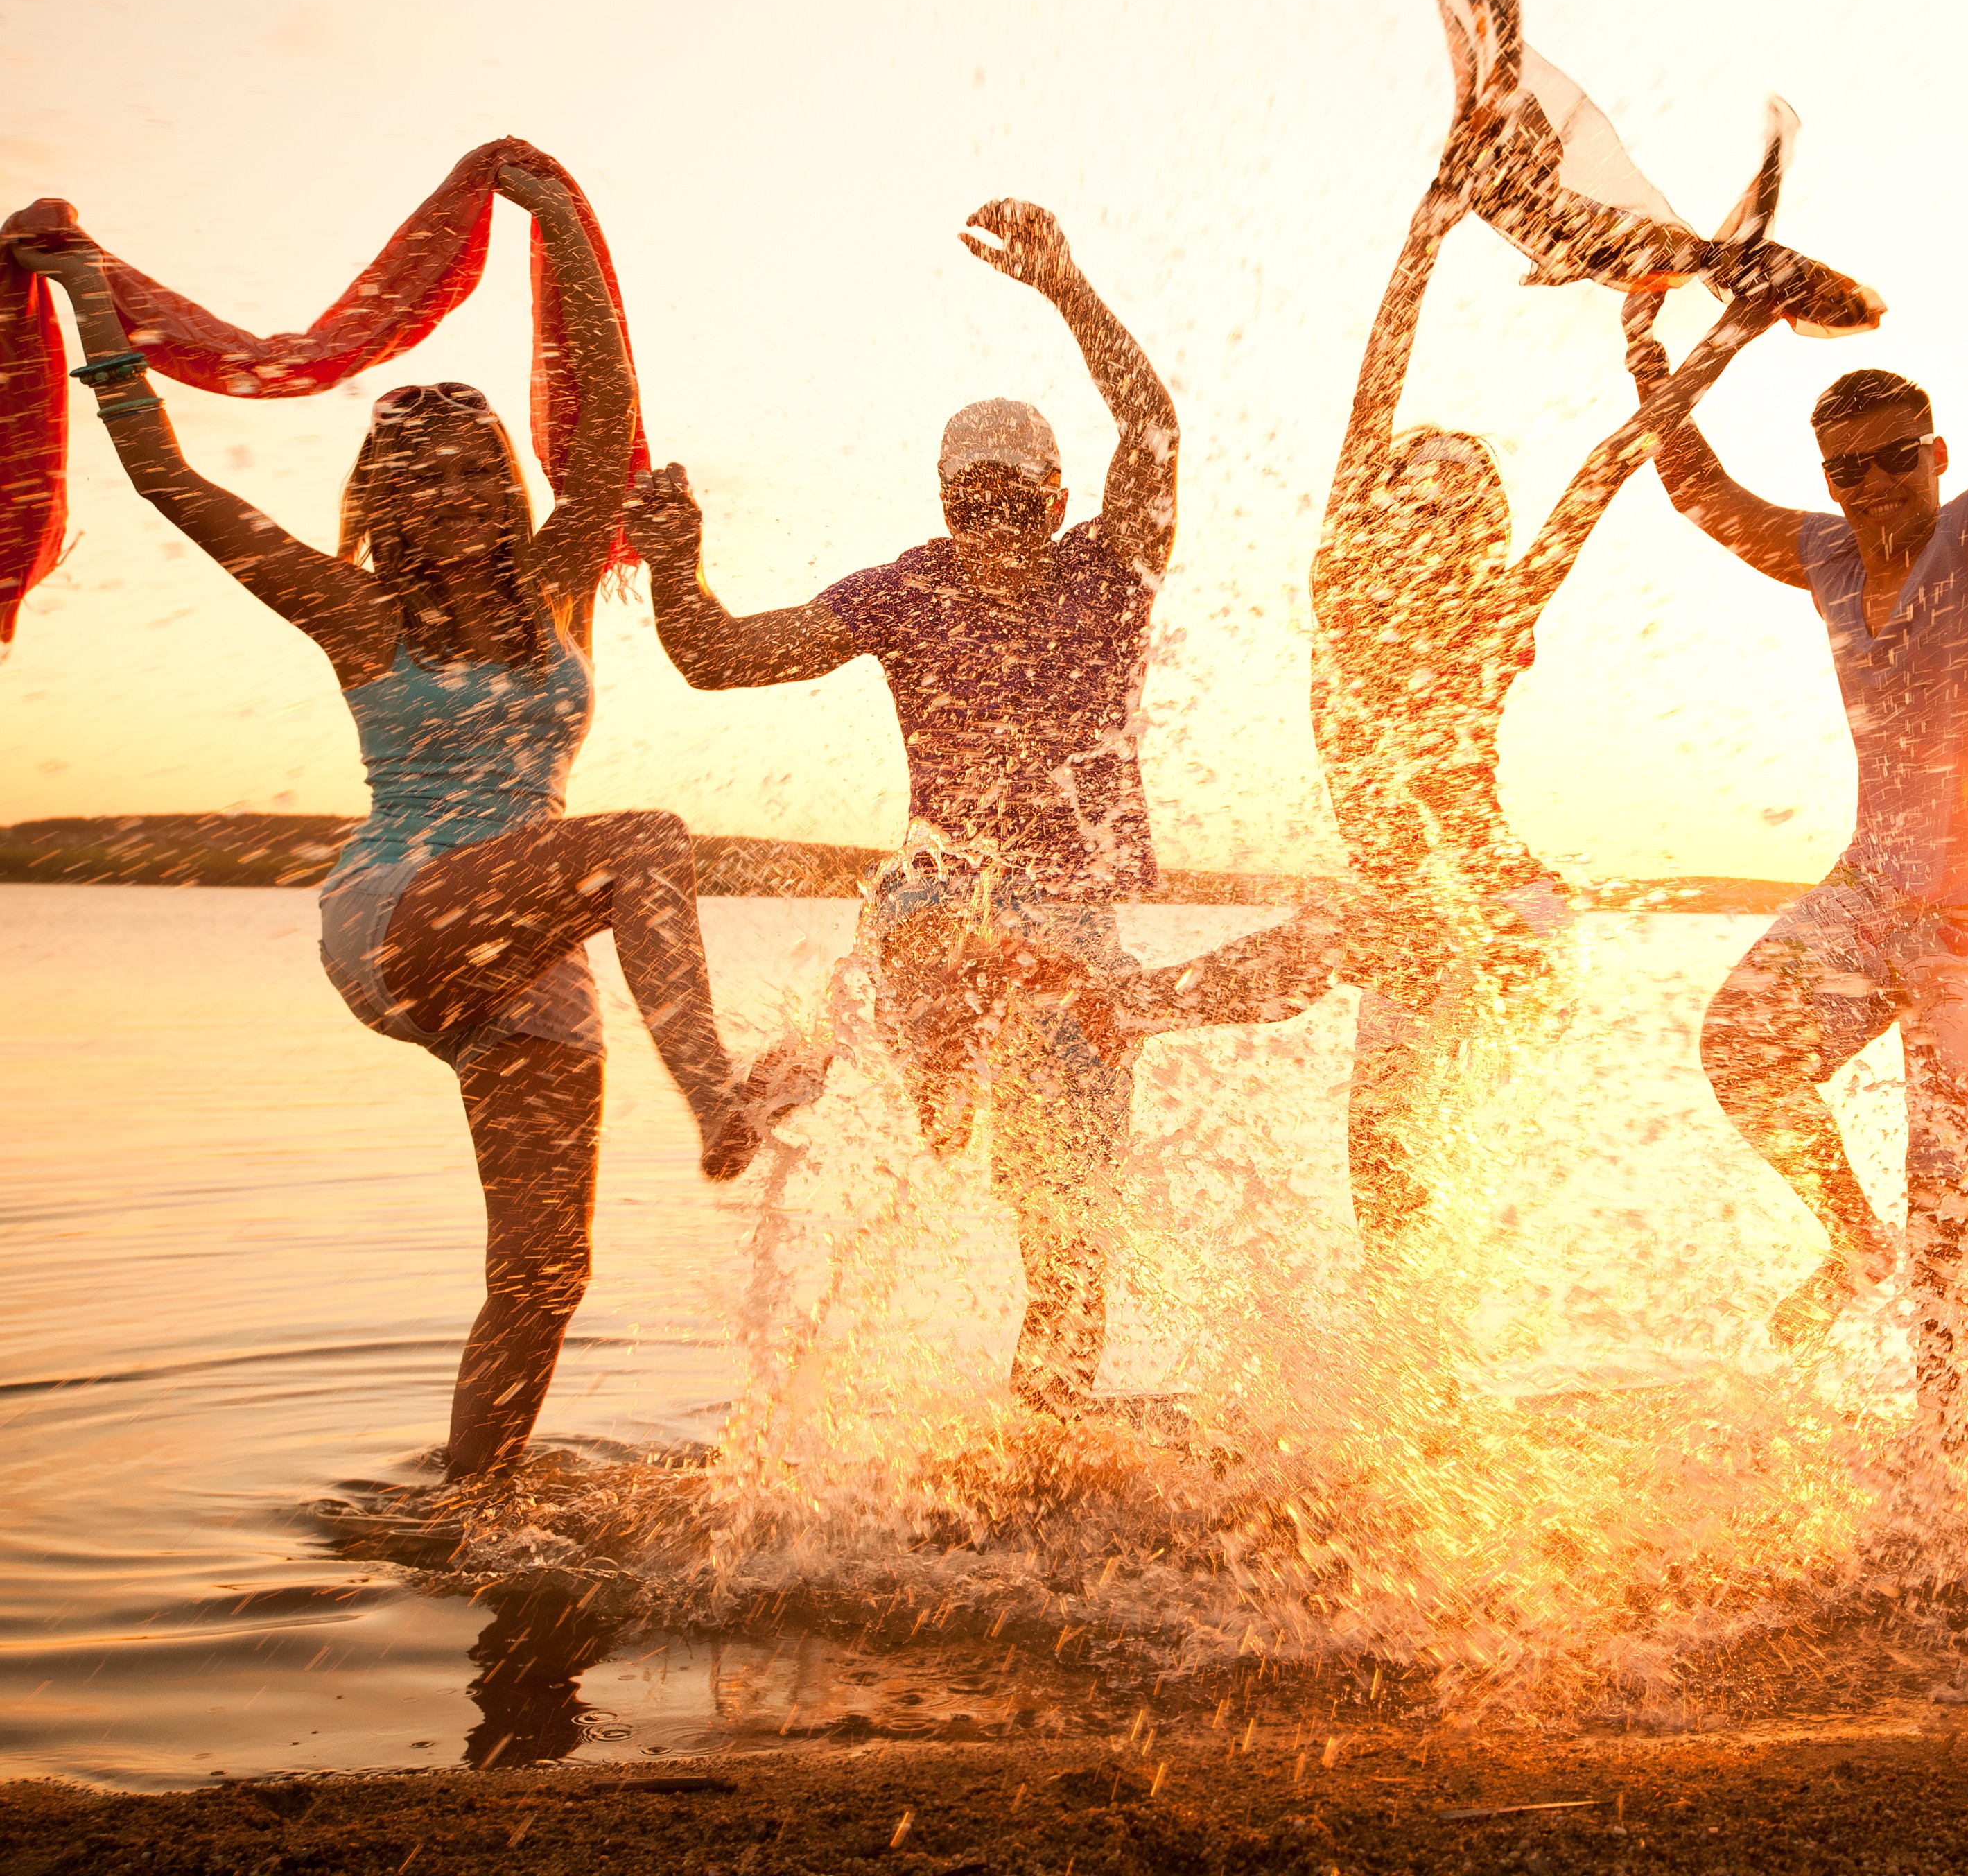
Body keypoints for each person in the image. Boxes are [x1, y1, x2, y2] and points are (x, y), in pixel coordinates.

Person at [8, 173, 806, 1484]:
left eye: (472, 477)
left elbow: (601, 421)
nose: (450, 500)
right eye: (417, 481)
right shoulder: (353, 612)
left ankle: (468, 1509)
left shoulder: (560, 583)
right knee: (648, 838)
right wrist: (89, 291)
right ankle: (718, 1090)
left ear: (502, 487)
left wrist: (555, 225)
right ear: (383, 499)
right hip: (402, 914)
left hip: (530, 949)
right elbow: (164, 478)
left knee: (546, 1274)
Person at [1071, 119, 1795, 1258]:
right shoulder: (1344, 581)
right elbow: (1377, 392)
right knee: (1391, 1194)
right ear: (1383, 504)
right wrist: (1426, 232)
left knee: (1349, 933)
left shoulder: (1497, 605)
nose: (1434, 506)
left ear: (1483, 525)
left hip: (1504, 917)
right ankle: (1422, 1404)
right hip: (1419, 925)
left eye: (1461, 497)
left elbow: (1613, 459)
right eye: (1416, 486)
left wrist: (1720, 338)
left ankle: (1127, 1013)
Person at [626, 198, 1176, 1418]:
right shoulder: (903, 591)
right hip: (942, 895)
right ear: (943, 501)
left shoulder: (1114, 566)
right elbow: (716, 657)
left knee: (1069, 1232)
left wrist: (1070, 287)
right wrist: (673, 561)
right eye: (967, 498)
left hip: (1074, 928)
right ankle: (875, 1074)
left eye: (1011, 496)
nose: (988, 521)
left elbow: (1151, 422)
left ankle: (1049, 1425)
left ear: (1053, 496)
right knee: (930, 934)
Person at [1619, 191, 1968, 1412]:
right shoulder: (1829, 556)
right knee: (1742, 1048)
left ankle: (1947, 1470)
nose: (1874, 484)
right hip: (1868, 891)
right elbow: (1698, 492)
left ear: (1936, 454)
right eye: (1849, 469)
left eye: (1898, 457)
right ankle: (1853, 1241)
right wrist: (1645, 356)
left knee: (1946, 1219)